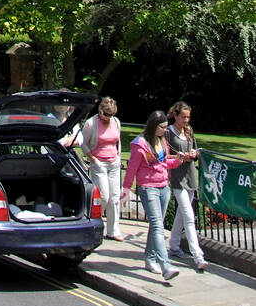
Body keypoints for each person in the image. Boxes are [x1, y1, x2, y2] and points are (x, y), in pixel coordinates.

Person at [121, 108, 197, 282]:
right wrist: (126, 189)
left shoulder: (162, 141)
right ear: (153, 126)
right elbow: (131, 169)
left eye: (165, 127)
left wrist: (176, 161)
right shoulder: (139, 144)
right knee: (157, 226)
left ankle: (150, 258)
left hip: (163, 186)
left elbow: (164, 163)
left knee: (156, 225)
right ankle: (165, 265)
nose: (165, 130)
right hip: (148, 188)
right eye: (162, 127)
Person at [166, 102, 207, 272]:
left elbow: (196, 151)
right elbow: (164, 155)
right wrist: (179, 156)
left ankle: (174, 245)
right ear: (175, 115)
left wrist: (194, 154)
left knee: (182, 215)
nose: (186, 120)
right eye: (183, 117)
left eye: (188, 117)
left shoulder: (189, 130)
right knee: (189, 217)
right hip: (177, 177)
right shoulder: (168, 132)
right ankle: (198, 256)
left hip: (190, 175)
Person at [81, 96, 123, 240]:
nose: (108, 118)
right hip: (99, 163)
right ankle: (94, 223)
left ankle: (113, 230)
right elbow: (83, 144)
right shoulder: (91, 124)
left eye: (111, 115)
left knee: (114, 197)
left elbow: (118, 141)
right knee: (104, 196)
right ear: (100, 110)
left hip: (114, 163)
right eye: (106, 114)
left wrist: (118, 155)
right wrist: (93, 159)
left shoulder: (116, 122)